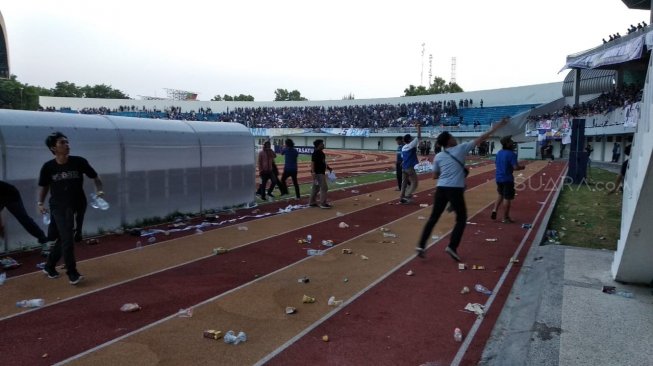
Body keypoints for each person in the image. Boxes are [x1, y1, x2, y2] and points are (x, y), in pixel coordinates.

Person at [416, 117, 509, 262]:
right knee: (461, 218)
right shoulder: (461, 148)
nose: (454, 138)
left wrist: (448, 171)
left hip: (441, 188)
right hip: (455, 189)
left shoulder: (439, 156)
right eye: (452, 137)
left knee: (433, 218)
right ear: (448, 141)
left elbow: (434, 176)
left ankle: (421, 246)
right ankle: (452, 246)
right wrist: (497, 127)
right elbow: (482, 137)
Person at [38, 131, 104, 285]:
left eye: (67, 142)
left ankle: (49, 266)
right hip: (59, 206)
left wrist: (99, 191)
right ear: (53, 148)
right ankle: (72, 273)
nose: (67, 145)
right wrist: (40, 203)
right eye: (62, 143)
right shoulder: (48, 167)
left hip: (78, 203)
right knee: (67, 237)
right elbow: (44, 186)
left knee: (68, 237)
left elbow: (95, 178)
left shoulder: (79, 162)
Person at [0, 180, 49, 246]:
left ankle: (42, 237)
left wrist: (1, 227)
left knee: (23, 218)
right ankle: (42, 237)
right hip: (6, 193)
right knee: (23, 218)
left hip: (11, 195)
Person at [490, 135, 525, 223]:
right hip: (507, 179)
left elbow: (497, 164)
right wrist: (522, 167)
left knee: (500, 194)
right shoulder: (512, 154)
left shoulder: (499, 153)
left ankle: (494, 210)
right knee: (507, 198)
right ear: (507, 143)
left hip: (498, 178)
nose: (512, 142)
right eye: (510, 141)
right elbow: (515, 167)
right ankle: (505, 218)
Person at [399, 125, 421, 204]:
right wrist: (418, 127)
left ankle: (401, 196)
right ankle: (407, 196)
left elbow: (403, 157)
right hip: (409, 167)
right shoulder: (411, 145)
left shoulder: (403, 147)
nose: (412, 138)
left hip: (404, 167)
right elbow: (418, 136)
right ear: (409, 139)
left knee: (404, 183)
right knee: (415, 183)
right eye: (411, 138)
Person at [308, 139, 333, 209]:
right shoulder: (316, 153)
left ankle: (312, 202)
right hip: (318, 173)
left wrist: (328, 168)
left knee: (315, 188)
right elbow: (313, 163)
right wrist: (313, 172)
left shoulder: (321, 153)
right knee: (324, 187)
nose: (323, 145)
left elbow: (323, 162)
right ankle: (323, 203)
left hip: (319, 172)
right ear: (319, 145)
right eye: (322, 144)